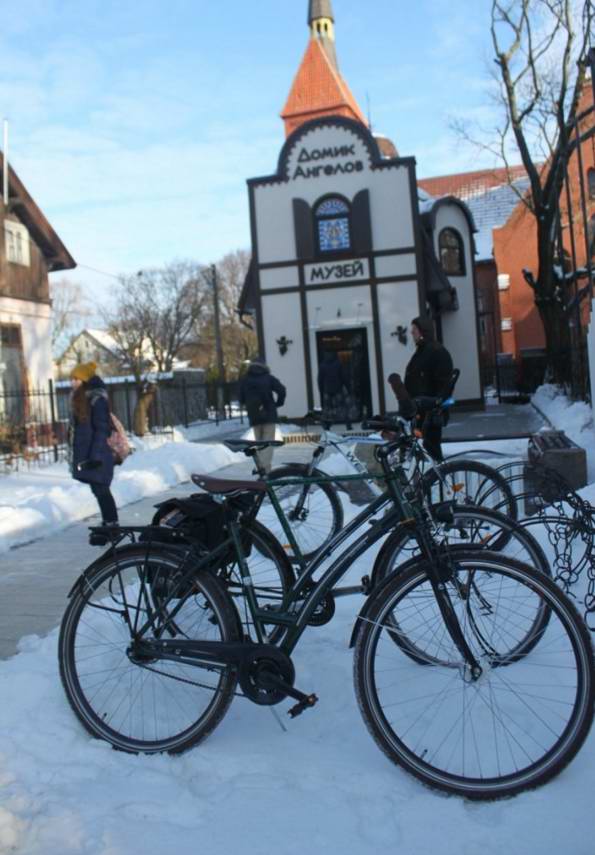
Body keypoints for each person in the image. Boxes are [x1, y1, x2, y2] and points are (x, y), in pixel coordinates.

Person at [69, 361, 119, 544]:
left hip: (98, 454)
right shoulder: (83, 399)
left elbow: (101, 429)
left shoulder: (96, 400)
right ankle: (110, 524)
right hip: (91, 453)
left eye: (76, 379)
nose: (72, 382)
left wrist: (95, 457)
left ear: (84, 380)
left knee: (101, 489)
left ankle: (112, 526)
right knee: (99, 489)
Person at [404, 316, 454, 461]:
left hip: (429, 414)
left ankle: (440, 481)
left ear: (423, 331)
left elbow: (444, 386)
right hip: (419, 412)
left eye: (414, 330)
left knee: (432, 453)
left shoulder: (437, 352)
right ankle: (427, 481)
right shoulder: (422, 351)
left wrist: (437, 406)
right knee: (421, 455)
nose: (412, 333)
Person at [239, 357, 286, 473]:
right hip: (269, 414)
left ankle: (261, 467)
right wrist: (278, 403)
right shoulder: (268, 378)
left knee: (259, 442)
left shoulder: (245, 380)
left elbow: (240, 398)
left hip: (254, 416)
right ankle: (264, 468)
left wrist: (248, 404)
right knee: (268, 443)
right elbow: (282, 390)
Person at [317, 351, 353, 430]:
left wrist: (321, 391)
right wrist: (348, 388)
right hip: (338, 389)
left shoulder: (322, 365)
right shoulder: (338, 364)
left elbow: (320, 380)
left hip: (327, 390)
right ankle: (348, 425)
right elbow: (344, 377)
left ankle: (327, 426)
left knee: (327, 409)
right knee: (342, 407)